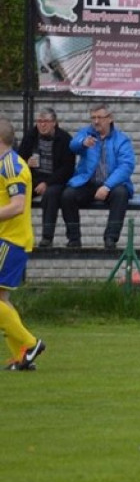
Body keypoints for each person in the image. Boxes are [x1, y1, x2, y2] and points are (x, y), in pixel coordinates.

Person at [0, 118, 47, 371]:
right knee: (2, 301)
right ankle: (22, 355)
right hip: (7, 239)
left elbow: (17, 206)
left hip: (10, 240)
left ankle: (30, 344)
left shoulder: (11, 166)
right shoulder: (4, 164)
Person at [60, 103, 135, 250]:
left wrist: (107, 186)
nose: (96, 121)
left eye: (99, 117)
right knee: (67, 195)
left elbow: (126, 166)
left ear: (110, 119)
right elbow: (73, 145)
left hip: (111, 185)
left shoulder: (122, 140)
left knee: (121, 193)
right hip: (88, 182)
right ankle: (74, 239)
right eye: (93, 118)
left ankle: (110, 238)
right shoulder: (86, 133)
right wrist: (83, 143)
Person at [16, 107, 75, 248]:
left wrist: (47, 183)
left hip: (56, 180)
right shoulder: (30, 136)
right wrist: (26, 163)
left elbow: (67, 169)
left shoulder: (65, 139)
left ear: (54, 122)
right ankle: (15, 235)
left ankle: (47, 237)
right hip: (34, 177)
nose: (42, 125)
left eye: (46, 121)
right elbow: (18, 160)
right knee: (17, 193)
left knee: (51, 194)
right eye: (39, 121)